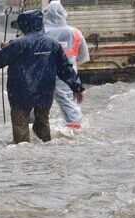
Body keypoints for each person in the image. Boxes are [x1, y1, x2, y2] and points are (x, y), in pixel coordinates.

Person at [0, 10, 84, 144]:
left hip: (20, 92)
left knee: (20, 127)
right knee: (43, 123)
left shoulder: (16, 45)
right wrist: (77, 87)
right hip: (44, 92)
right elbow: (65, 69)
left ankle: (23, 150)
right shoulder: (53, 44)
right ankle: (46, 151)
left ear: (24, 25)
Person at [43, 0, 89, 129]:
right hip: (67, 73)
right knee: (67, 102)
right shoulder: (75, 32)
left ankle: (34, 131)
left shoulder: (41, 32)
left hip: (42, 72)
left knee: (38, 102)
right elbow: (82, 55)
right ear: (64, 14)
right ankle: (74, 131)